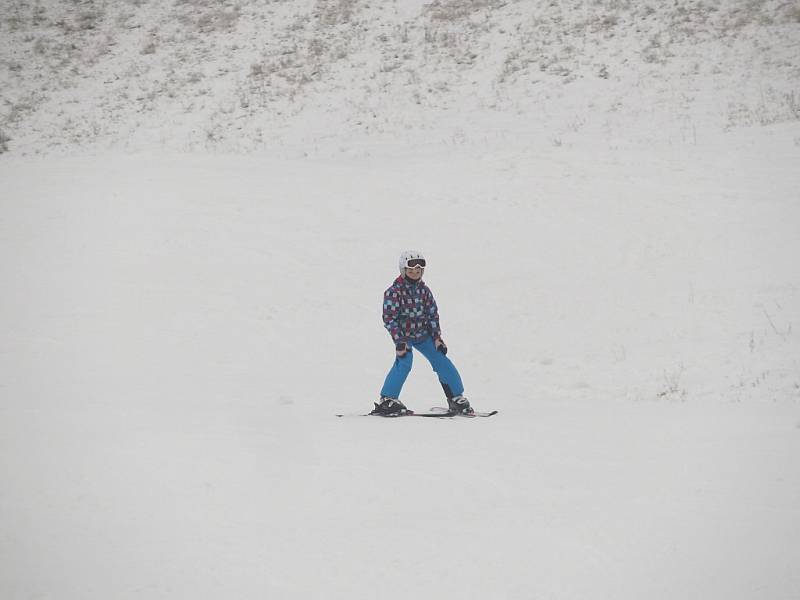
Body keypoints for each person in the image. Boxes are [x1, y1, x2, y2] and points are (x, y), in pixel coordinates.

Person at [373, 250, 473, 416]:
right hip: (404, 336)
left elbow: (432, 313)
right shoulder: (394, 292)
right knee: (404, 362)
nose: (415, 273)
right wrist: (400, 341)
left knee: (441, 360)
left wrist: (436, 337)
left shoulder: (424, 291)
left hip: (423, 335)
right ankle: (388, 399)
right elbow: (389, 319)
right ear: (403, 271)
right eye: (411, 271)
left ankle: (456, 398)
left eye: (418, 271)